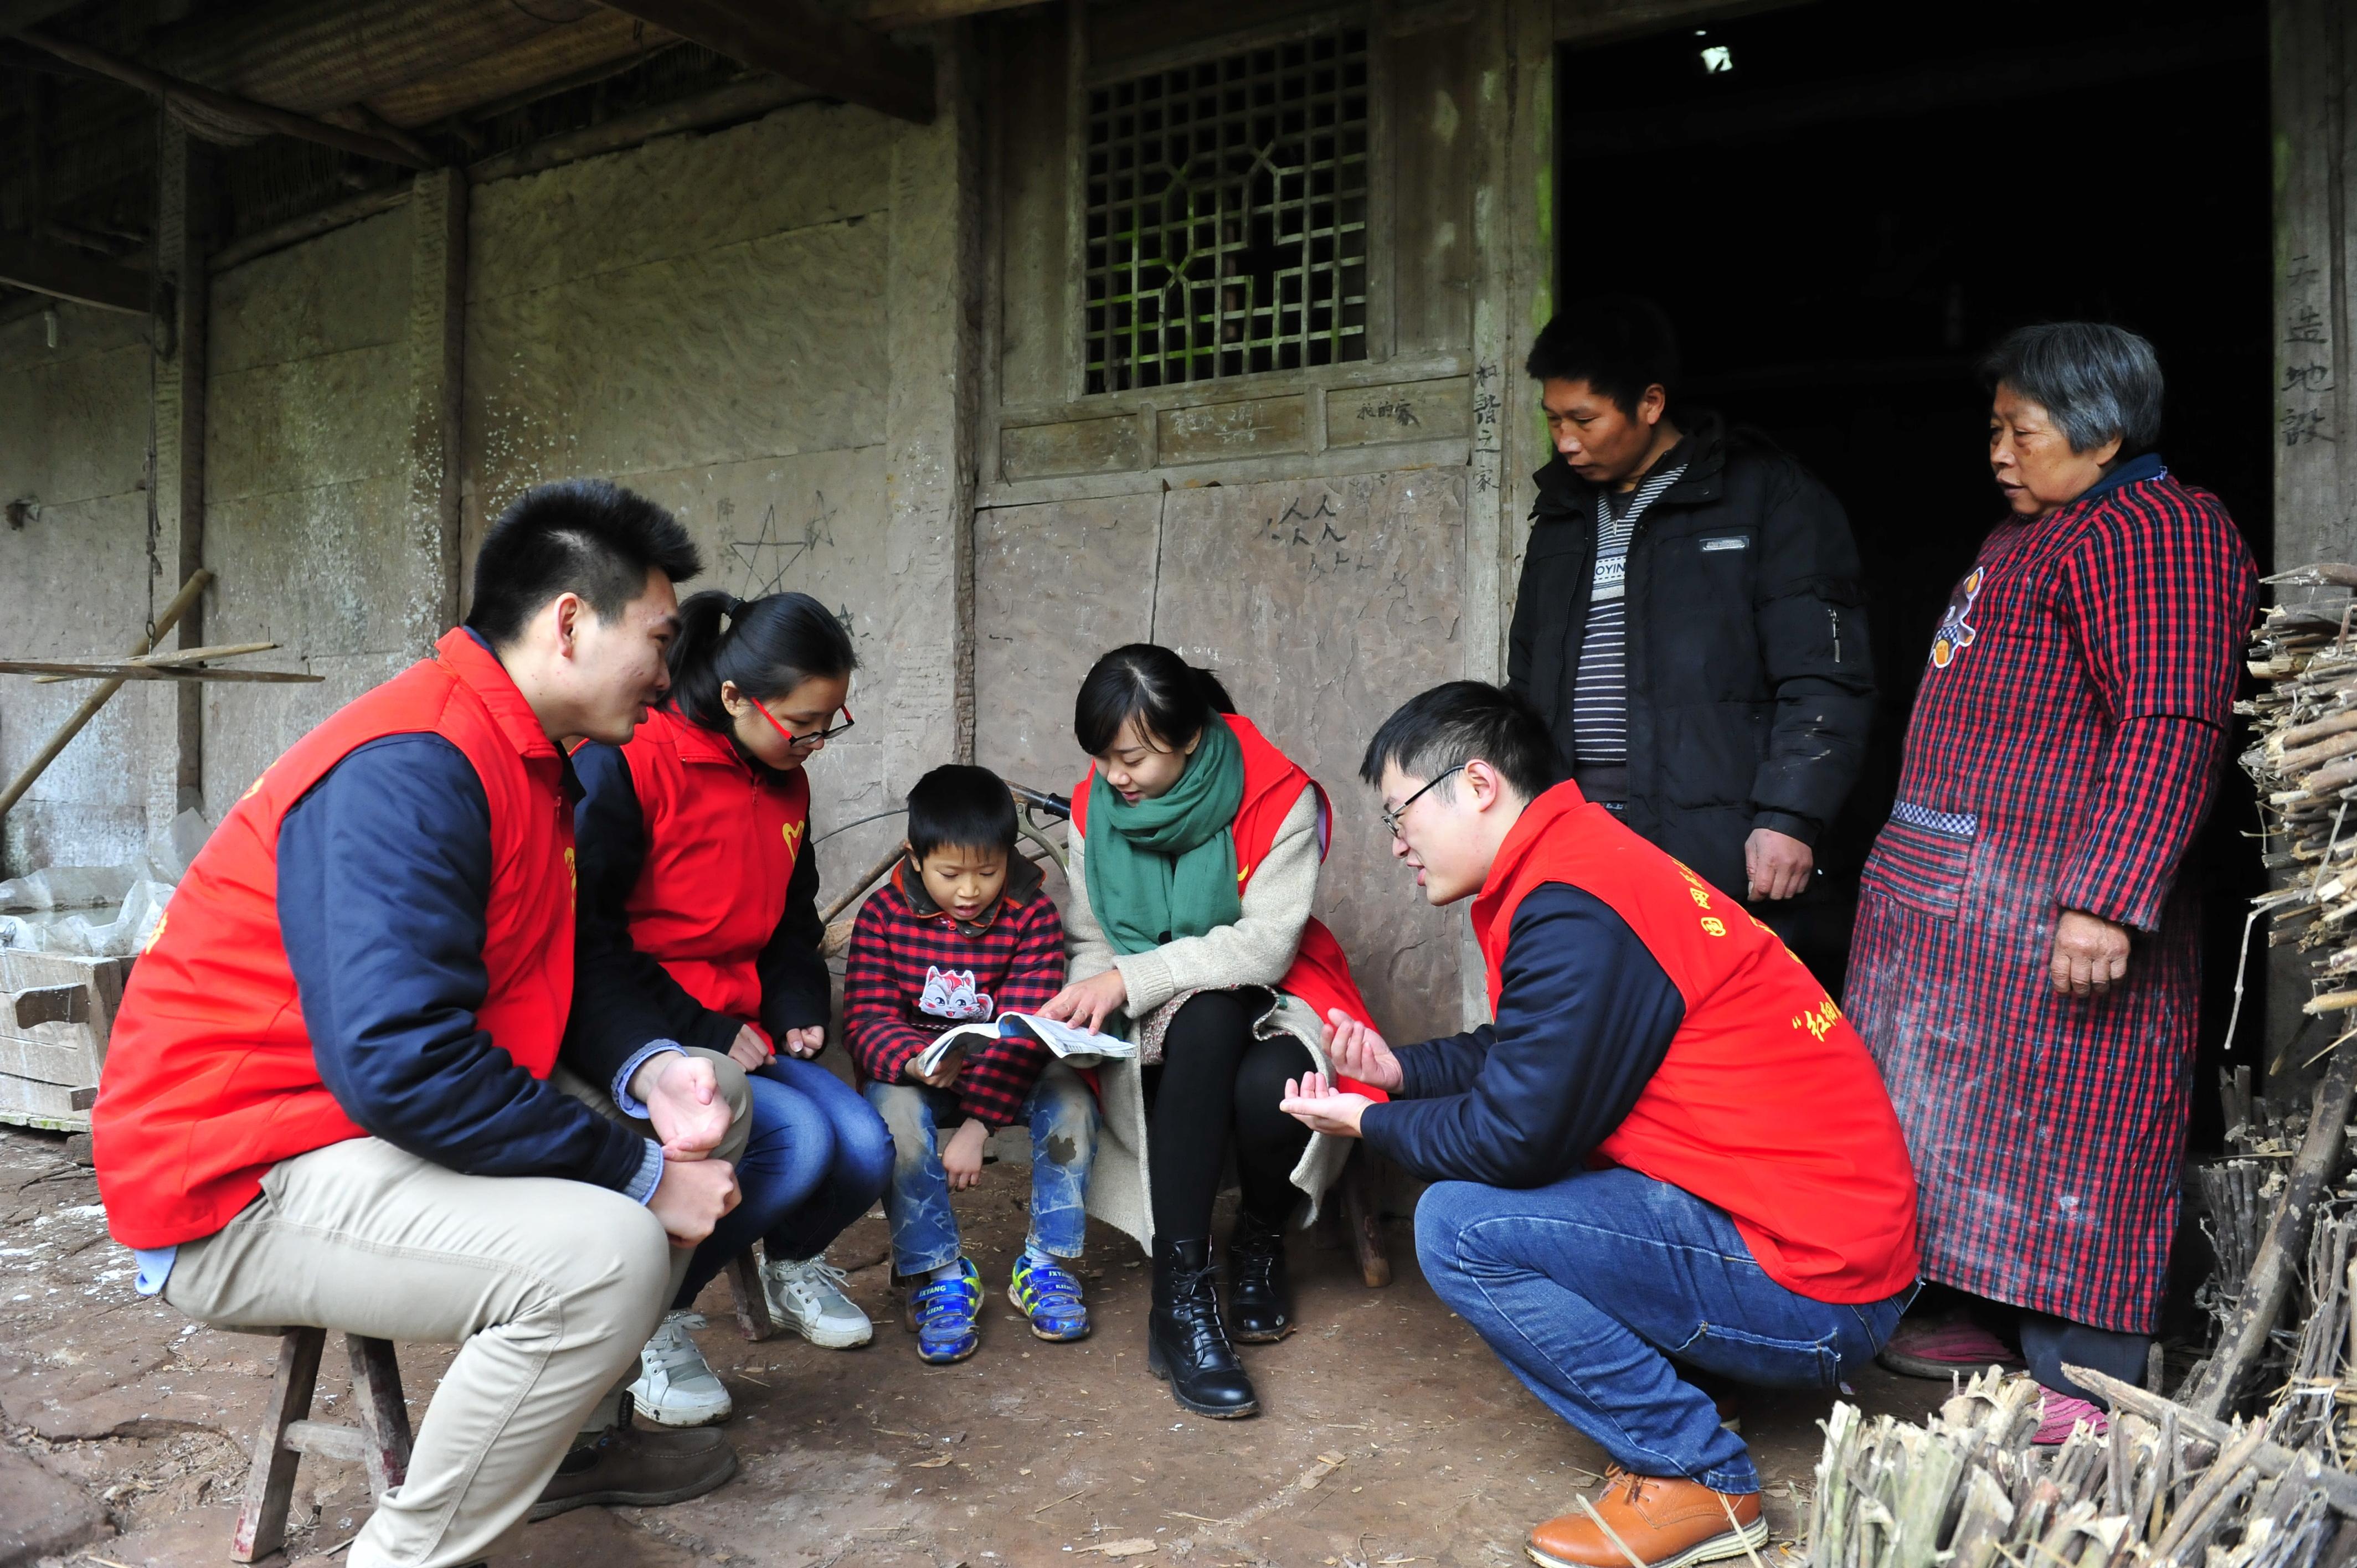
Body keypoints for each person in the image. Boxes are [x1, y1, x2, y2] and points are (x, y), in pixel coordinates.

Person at [92, 480, 752, 1568]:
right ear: (572, 621)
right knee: (609, 1258)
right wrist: (636, 1172)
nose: (670, 673)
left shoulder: (530, 760)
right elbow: (402, 1063)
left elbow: (559, 965)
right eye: (660, 637)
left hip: (343, 1122)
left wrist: (648, 1073)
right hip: (230, 1182)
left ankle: (572, 1435)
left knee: (714, 1100)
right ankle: (406, 1558)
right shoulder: (415, 767)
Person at [1282, 681, 1920, 1568]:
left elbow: (1515, 1138)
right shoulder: (1579, 864)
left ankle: (1698, 1474)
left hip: (1817, 1286)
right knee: (1544, 1177)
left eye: (1400, 815)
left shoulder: (1578, 900)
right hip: (1804, 1238)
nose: (1397, 846)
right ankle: (1699, 1385)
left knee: (1460, 1227)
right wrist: (1400, 1074)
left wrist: (1367, 1120)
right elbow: (1536, 1052)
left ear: (1476, 785)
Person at [1846, 324, 2258, 1433]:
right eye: (1995, 429)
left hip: (2059, 911)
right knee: (1953, 1130)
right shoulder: (2037, 531)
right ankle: (1966, 1311)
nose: (1998, 450)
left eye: (2020, 431)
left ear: (2103, 429)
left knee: (2083, 1134)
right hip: (1959, 911)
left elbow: (2172, 723)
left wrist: (2106, 898)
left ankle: (2087, 1373)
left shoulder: (2164, 531)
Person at [569, 589, 893, 1426]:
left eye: (831, 722)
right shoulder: (635, 761)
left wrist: (795, 1002)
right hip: (657, 1030)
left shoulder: (786, 784)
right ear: (736, 699)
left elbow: (793, 921)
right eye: (804, 725)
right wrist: (710, 1030)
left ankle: (790, 1266)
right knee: (804, 1142)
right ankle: (656, 1321)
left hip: (746, 1029)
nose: (818, 745)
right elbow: (589, 941)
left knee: (864, 1148)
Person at [1038, 644, 1386, 1420]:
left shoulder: (1276, 796)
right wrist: (1087, 997)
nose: (1112, 777)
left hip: (1272, 988)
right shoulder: (1096, 802)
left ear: (1189, 737)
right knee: (1202, 1016)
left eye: (1129, 757)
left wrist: (1128, 978)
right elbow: (1092, 932)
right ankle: (1183, 1296)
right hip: (1157, 1002)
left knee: (1272, 1088)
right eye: (1100, 757)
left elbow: (1262, 946)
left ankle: (1257, 1241)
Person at [1507, 297, 1874, 980]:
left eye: (1584, 419)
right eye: (1552, 420)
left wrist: (1791, 815)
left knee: (1718, 1045)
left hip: (1716, 844)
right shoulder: (1559, 516)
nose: (1564, 441)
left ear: (1649, 403)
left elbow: (1822, 677)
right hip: (1579, 836)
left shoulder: (1764, 496)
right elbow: (1526, 680)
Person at [844, 764, 1093, 1363]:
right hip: (919, 1074)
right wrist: (910, 1062)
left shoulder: (1031, 916)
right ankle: (939, 1274)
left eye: (987, 872)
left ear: (1007, 857)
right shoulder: (881, 917)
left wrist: (979, 1127)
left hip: (1010, 1071)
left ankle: (1045, 1264)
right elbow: (863, 1020)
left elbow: (1025, 1033)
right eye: (949, 873)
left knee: (1073, 1103)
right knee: (894, 1125)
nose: (968, 891)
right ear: (914, 856)